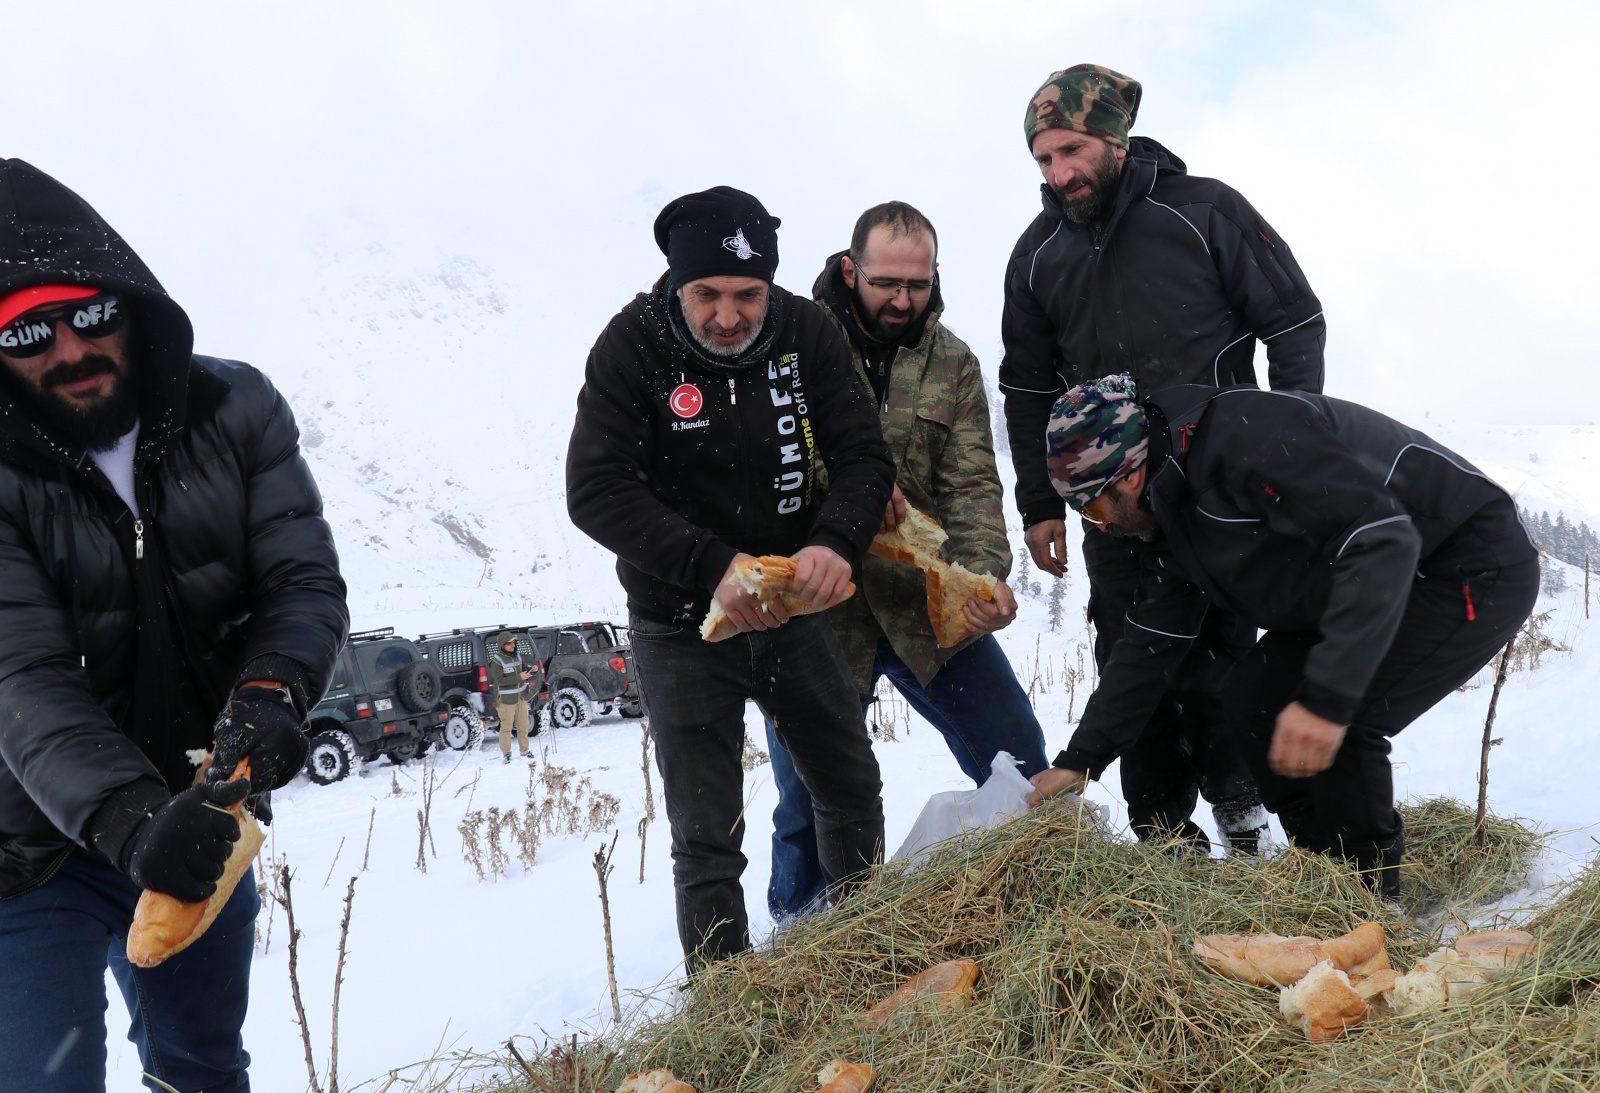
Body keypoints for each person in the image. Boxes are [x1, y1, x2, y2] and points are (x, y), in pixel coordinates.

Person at [0, 159, 349, 1092]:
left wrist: (270, 691)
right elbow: (16, 674)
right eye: (25, 332)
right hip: (18, 846)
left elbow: (302, 581)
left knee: (200, 1069)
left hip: (200, 813)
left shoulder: (237, 409)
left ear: (127, 300)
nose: (67, 348)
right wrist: (133, 822)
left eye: (88, 314)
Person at [1036, 376, 1539, 899]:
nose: (1095, 527)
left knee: (1344, 718)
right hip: (1365, 579)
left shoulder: (1245, 440)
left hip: (1463, 562)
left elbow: (1379, 539)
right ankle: (1322, 877)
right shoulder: (1171, 510)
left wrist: (1327, 700)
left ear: (1131, 476)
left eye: (1092, 509)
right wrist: (1080, 761)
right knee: (1252, 698)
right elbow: (1151, 640)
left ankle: (1370, 903)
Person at [1001, 63, 1329, 851]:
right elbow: (1023, 386)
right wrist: (1042, 503)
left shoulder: (1204, 211)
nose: (1060, 173)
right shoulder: (1038, 253)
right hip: (1113, 504)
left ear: (1114, 137)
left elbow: (1294, 326)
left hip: (1220, 486)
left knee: (1220, 661)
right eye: (1044, 159)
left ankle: (1245, 822)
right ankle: (1163, 842)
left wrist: (1289, 455)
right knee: (1129, 655)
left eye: (1072, 150)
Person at [566, 186, 894, 968]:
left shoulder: (805, 331)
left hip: (791, 612)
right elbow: (595, 488)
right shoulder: (631, 346)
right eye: (706, 293)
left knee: (849, 786)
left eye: (747, 295)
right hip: (681, 626)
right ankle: (724, 1011)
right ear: (677, 283)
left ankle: (873, 958)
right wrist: (712, 568)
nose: (726, 315)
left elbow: (863, 455)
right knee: (708, 836)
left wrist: (836, 542)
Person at [764, 202, 1049, 921]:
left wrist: (983, 577)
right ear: (850, 268)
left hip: (924, 603)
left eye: (918, 285)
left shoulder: (953, 362)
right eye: (888, 282)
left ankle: (1044, 902)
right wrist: (853, 491)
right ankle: (800, 944)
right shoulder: (791, 343)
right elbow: (772, 460)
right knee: (809, 791)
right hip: (820, 608)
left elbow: (974, 484)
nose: (902, 300)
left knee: (1016, 751)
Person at [490, 633, 533, 761]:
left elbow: (524, 669)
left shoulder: (517, 656)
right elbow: (500, 681)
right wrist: (519, 677)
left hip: (521, 698)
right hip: (506, 700)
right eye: (509, 643)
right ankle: (507, 754)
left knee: (523, 726)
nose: (513, 645)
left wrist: (532, 670)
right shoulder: (496, 661)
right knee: (506, 728)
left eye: (514, 643)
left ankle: (524, 752)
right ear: (502, 645)